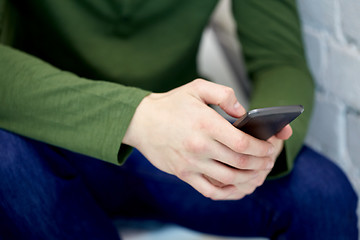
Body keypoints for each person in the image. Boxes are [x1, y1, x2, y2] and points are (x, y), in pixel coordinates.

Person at [0, 0, 357, 239]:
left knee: (322, 192)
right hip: (49, 141)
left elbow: (280, 60)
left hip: (184, 149)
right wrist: (137, 118)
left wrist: (257, 151)